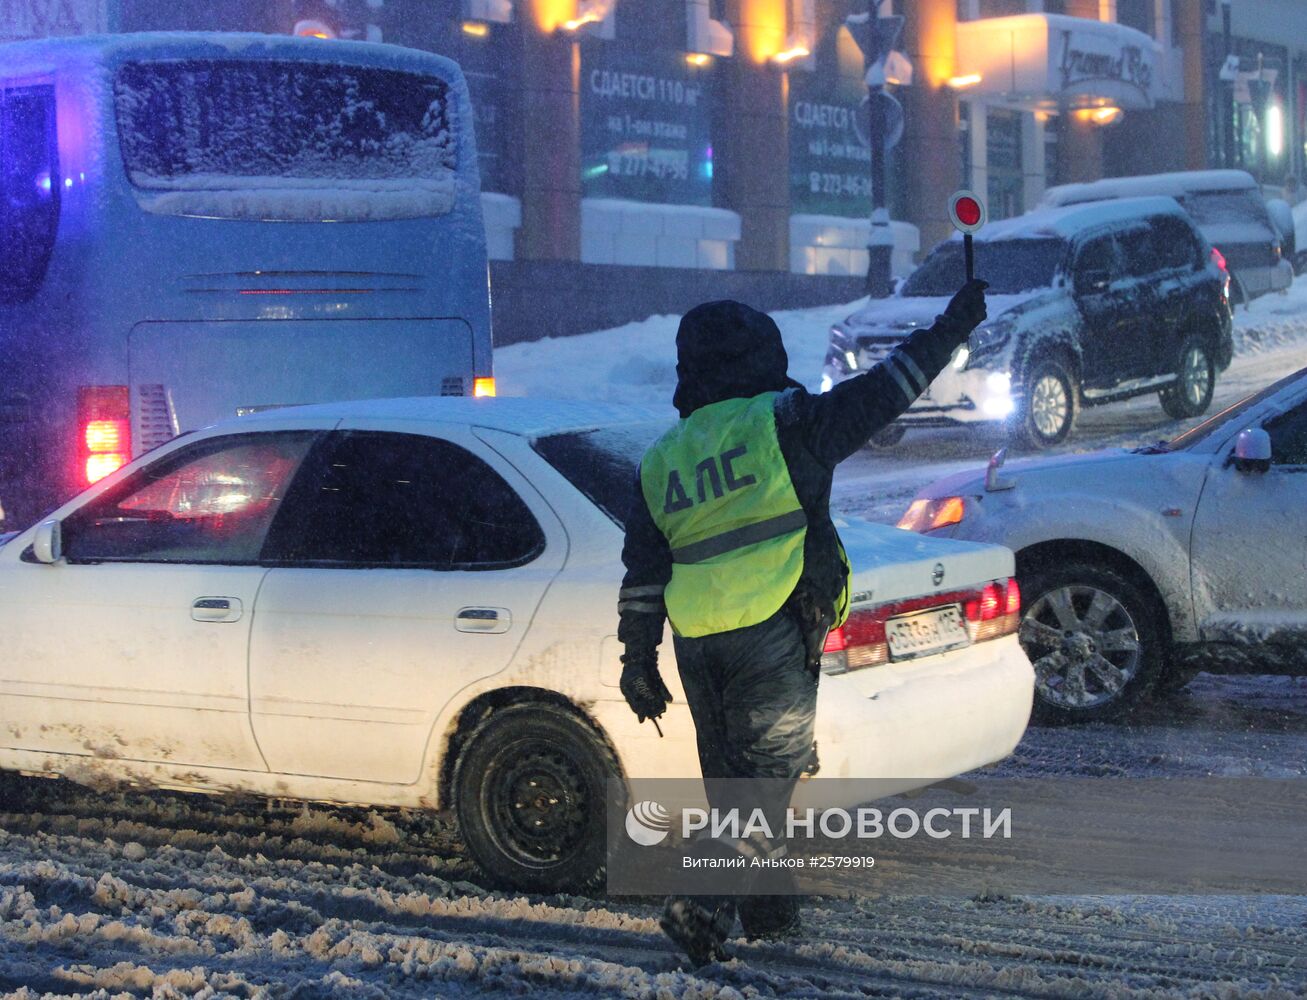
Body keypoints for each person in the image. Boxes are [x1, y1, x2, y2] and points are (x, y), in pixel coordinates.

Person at [615, 279, 989, 965]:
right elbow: (888, 387)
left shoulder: (665, 456)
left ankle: (769, 918)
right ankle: (700, 899)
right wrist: (952, 323)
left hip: (697, 641)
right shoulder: (785, 422)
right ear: (760, 357)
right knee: (771, 777)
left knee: (736, 785)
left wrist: (637, 660)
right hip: (770, 625)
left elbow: (642, 572)